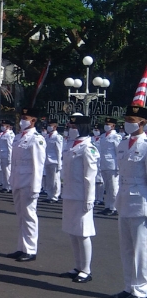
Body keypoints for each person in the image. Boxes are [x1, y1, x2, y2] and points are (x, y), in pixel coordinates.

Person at [110, 105, 147, 298]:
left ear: (142, 122)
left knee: (141, 248)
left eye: (132, 120)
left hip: (140, 201)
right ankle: (128, 286)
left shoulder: (146, 144)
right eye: (127, 119)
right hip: (123, 199)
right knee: (126, 247)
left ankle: (141, 290)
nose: (128, 123)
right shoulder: (123, 143)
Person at [60, 114, 98, 283]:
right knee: (72, 232)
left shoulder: (88, 148)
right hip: (69, 193)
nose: (71, 129)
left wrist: (89, 199)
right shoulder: (71, 145)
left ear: (83, 128)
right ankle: (77, 266)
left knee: (83, 233)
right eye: (70, 127)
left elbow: (90, 176)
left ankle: (86, 270)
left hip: (81, 196)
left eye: (74, 127)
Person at [6, 107, 46, 262]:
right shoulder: (18, 137)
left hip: (28, 183)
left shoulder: (36, 139)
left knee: (29, 216)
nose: (23, 120)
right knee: (21, 216)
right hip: (17, 181)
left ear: (33, 120)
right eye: (22, 117)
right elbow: (14, 162)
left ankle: (30, 250)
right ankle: (21, 248)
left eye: (26, 117)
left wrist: (36, 188)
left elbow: (38, 165)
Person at [98, 117, 122, 216]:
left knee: (113, 187)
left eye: (109, 124)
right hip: (104, 165)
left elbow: (118, 153)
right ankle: (108, 206)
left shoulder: (116, 137)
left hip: (113, 166)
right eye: (106, 124)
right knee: (107, 187)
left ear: (113, 126)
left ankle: (114, 207)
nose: (107, 125)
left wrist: (119, 167)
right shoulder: (103, 136)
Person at [44, 119, 63, 204]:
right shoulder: (47, 137)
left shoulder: (58, 137)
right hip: (47, 160)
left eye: (50, 125)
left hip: (55, 161)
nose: (49, 127)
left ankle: (55, 196)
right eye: (48, 125)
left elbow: (59, 151)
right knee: (49, 179)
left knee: (55, 180)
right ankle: (49, 195)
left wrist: (59, 163)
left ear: (55, 127)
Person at [0, 120, 15, 193]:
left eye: (4, 125)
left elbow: (10, 147)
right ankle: (5, 186)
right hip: (2, 155)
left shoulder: (10, 134)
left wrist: (10, 158)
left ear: (8, 126)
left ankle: (9, 186)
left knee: (8, 172)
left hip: (7, 156)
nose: (2, 126)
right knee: (4, 172)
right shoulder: (3, 134)